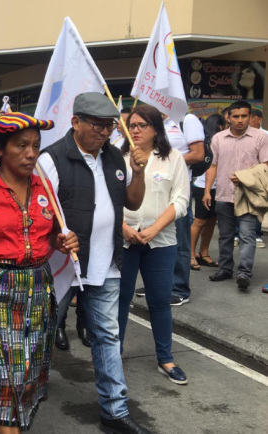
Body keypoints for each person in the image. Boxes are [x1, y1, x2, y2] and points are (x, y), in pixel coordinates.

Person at [0, 112, 78, 433]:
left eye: (36, 145)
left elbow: (48, 236)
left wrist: (61, 241)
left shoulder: (44, 186)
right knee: (5, 378)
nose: (31, 154)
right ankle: (4, 423)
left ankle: (0, 420)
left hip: (38, 291)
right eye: (21, 146)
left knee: (27, 376)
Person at [38, 92, 149, 434]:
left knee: (107, 337)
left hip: (106, 263)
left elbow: (131, 202)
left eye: (110, 126)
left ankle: (114, 412)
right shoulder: (52, 159)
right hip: (60, 266)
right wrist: (56, 237)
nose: (105, 132)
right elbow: (38, 214)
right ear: (76, 122)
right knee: (41, 331)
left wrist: (139, 172)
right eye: (98, 125)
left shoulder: (115, 157)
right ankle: (33, 384)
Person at [118, 105, 190, 385]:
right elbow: (108, 199)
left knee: (159, 302)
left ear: (156, 129)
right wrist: (124, 229)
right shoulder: (117, 157)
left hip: (161, 242)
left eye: (142, 125)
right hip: (124, 240)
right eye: (131, 125)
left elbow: (181, 200)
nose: (135, 130)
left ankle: (166, 358)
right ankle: (115, 354)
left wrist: (154, 229)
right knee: (120, 301)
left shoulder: (173, 159)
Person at [204, 100, 268, 291]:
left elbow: (266, 164)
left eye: (244, 116)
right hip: (223, 193)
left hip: (248, 196)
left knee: (247, 235)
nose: (240, 120)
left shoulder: (260, 137)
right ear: (228, 117)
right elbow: (213, 166)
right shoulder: (218, 138)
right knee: (225, 236)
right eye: (236, 116)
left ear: (249, 117)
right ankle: (225, 269)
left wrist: (245, 177)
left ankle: (244, 273)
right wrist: (207, 191)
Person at [153, 113, 204, 307]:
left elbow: (198, 154)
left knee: (180, 240)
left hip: (177, 189)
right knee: (157, 238)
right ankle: (159, 284)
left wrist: (164, 160)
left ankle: (179, 288)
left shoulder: (186, 119)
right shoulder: (153, 120)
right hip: (154, 189)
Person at [190, 114, 225, 271]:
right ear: (219, 125)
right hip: (203, 187)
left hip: (219, 187)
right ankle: (190, 255)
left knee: (212, 220)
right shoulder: (207, 143)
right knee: (200, 221)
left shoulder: (221, 140)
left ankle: (203, 253)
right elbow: (210, 167)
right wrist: (206, 191)